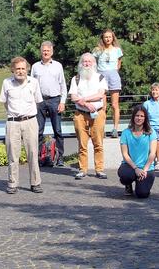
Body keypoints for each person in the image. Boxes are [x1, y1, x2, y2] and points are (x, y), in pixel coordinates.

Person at [0, 57, 43, 194]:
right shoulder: (6, 83)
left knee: (33, 153)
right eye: (18, 68)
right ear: (13, 69)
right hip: (13, 122)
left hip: (30, 121)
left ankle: (35, 183)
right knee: (12, 154)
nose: (20, 71)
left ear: (27, 69)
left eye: (23, 68)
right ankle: (13, 183)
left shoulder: (34, 82)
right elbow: (5, 102)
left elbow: (37, 101)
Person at [69, 52, 108, 180]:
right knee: (82, 143)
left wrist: (84, 99)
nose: (87, 64)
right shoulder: (76, 79)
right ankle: (82, 169)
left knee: (98, 142)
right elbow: (73, 97)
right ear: (81, 63)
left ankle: (99, 169)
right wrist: (86, 104)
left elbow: (100, 94)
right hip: (80, 114)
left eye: (89, 61)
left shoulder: (100, 77)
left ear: (94, 63)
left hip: (98, 113)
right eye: (84, 61)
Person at [30, 41, 67, 167]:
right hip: (39, 101)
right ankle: (39, 157)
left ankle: (60, 156)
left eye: (48, 50)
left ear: (52, 52)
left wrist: (62, 101)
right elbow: (31, 85)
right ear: (41, 51)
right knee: (38, 131)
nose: (46, 52)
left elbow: (63, 85)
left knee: (58, 130)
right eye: (44, 50)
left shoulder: (58, 66)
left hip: (54, 100)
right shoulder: (35, 66)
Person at [118, 105, 158, 198]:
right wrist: (136, 169)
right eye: (137, 115)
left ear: (145, 118)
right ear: (133, 117)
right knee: (125, 175)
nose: (139, 118)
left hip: (146, 167)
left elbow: (153, 153)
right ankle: (128, 185)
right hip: (130, 166)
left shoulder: (151, 132)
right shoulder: (126, 133)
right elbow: (125, 154)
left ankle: (141, 183)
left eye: (142, 116)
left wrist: (144, 170)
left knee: (142, 194)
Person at [93, 29, 123, 138]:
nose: (108, 39)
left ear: (113, 38)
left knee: (115, 105)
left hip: (113, 76)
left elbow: (119, 63)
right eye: (106, 37)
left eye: (110, 37)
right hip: (101, 76)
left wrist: (114, 71)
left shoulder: (117, 50)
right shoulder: (97, 50)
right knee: (103, 105)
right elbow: (93, 62)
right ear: (103, 38)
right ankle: (102, 129)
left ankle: (115, 129)